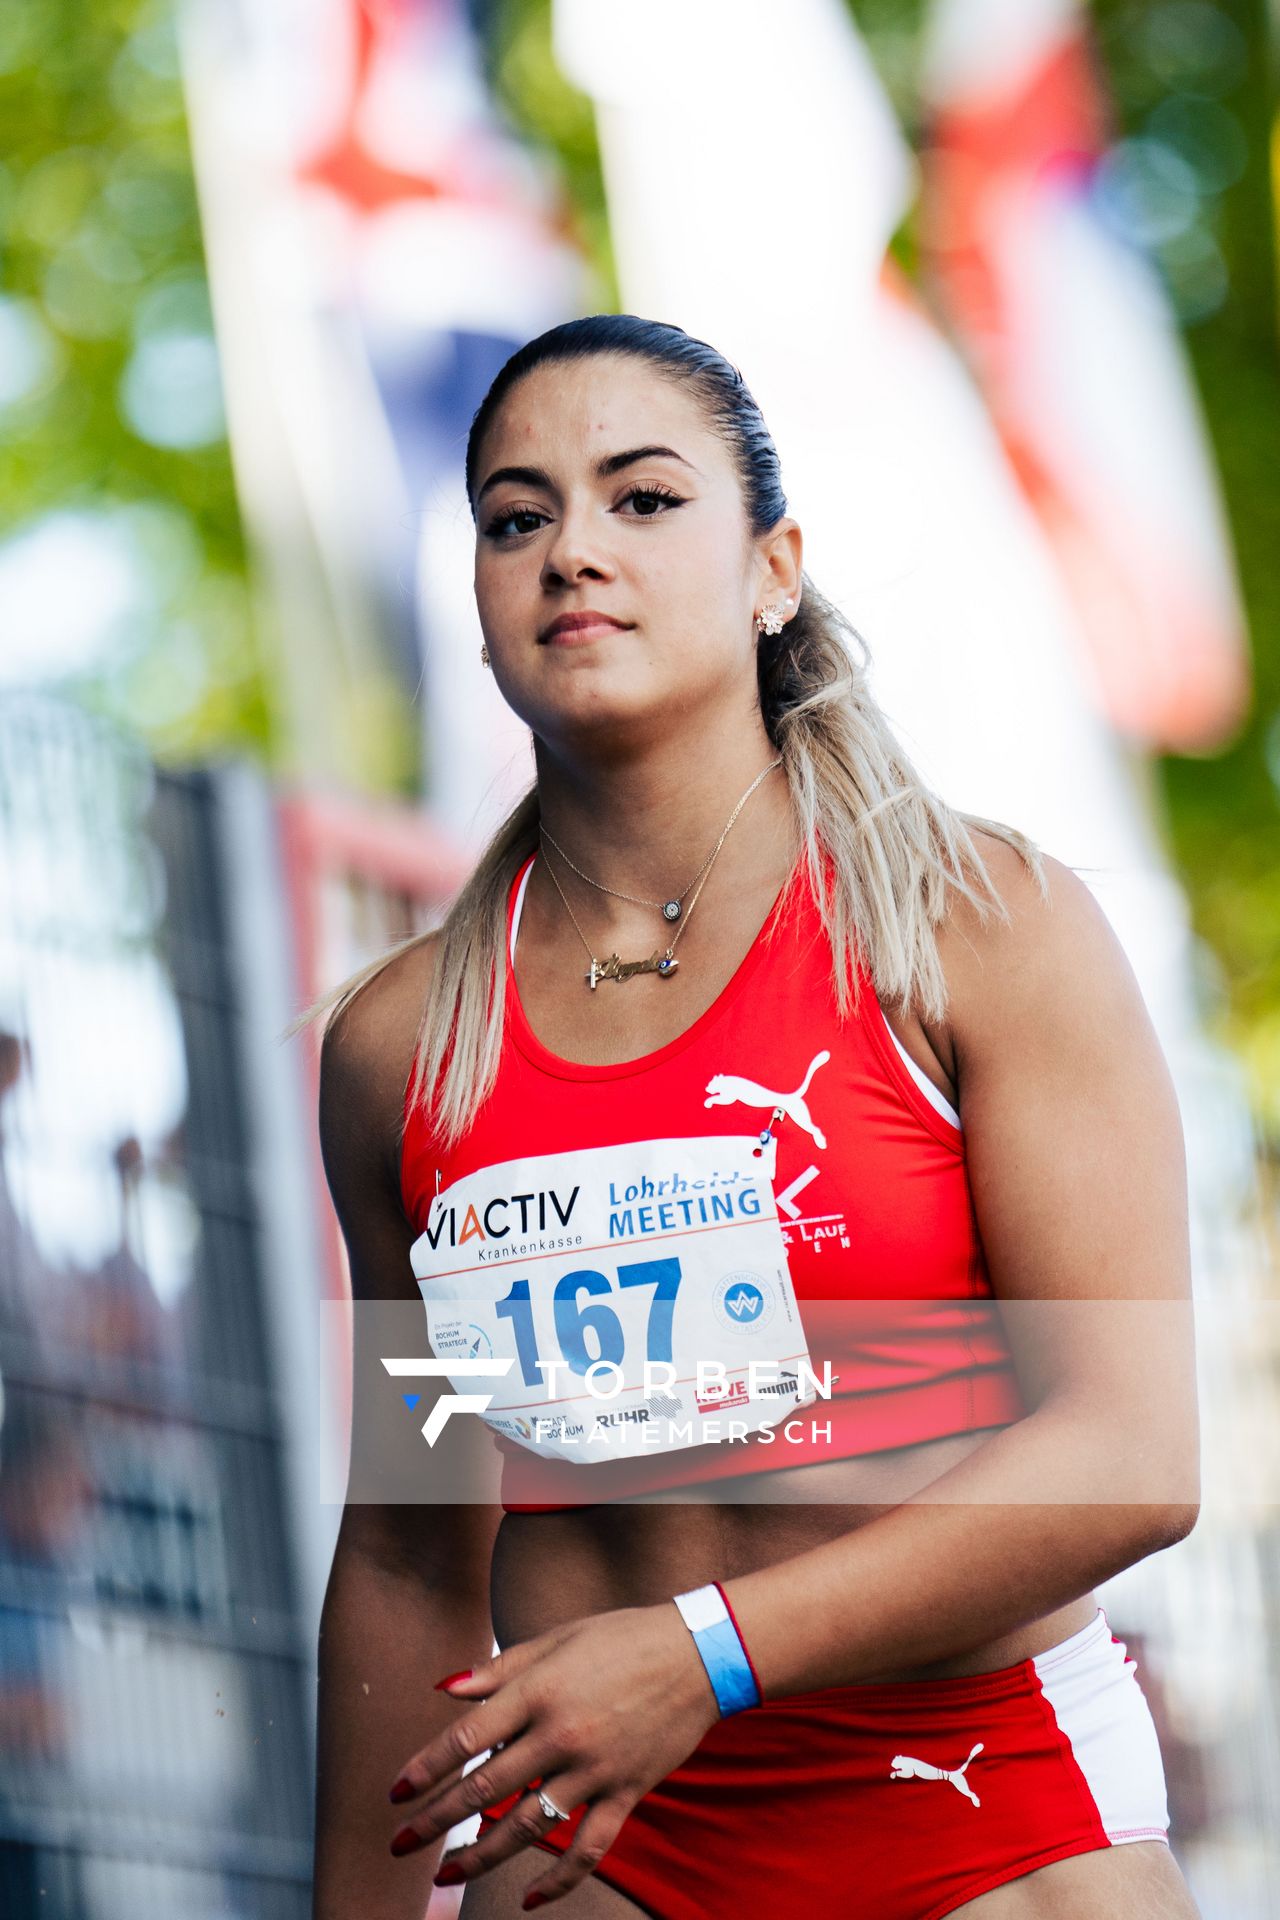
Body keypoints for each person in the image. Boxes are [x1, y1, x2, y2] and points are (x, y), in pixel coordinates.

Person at [309, 315, 1201, 1919]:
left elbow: (1132, 1455)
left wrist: (701, 1657)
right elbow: (406, 1553)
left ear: (773, 568)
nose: (573, 548)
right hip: (603, 1842)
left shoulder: (982, 925)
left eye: (642, 500)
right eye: (518, 518)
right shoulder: (401, 1049)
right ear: (484, 600)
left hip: (983, 1811)